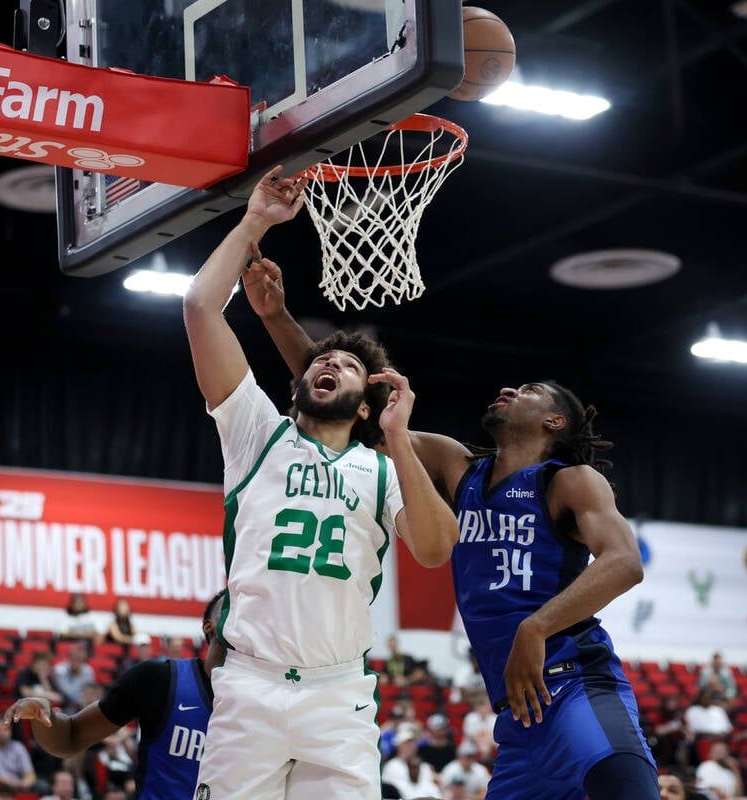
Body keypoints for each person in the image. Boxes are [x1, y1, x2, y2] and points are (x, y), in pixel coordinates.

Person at [249, 245, 656, 798]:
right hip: (517, 720)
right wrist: (275, 316)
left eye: (529, 391)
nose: (510, 390)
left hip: (576, 683)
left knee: (624, 786)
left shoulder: (569, 481)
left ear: (554, 421)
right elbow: (348, 403)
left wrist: (535, 628)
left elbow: (625, 563)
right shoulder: (455, 466)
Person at [184, 165, 458, 800]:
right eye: (324, 359)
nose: (332, 361)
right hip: (249, 683)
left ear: (366, 405)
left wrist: (397, 436)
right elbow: (200, 307)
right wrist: (256, 220)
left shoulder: (384, 467)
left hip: (339, 696)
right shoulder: (257, 431)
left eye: (351, 365)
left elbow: (436, 549)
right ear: (301, 384)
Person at [6, 592, 227, 800]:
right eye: (233, 608)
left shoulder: (260, 703)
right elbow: (71, 735)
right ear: (209, 626)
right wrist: (46, 716)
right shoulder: (160, 679)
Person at [383, 729, 442, 800]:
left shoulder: (424, 766)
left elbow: (431, 787)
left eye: (412, 743)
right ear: (399, 746)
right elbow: (399, 790)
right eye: (406, 743)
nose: (410, 746)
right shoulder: (392, 766)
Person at [0, 720, 35, 792]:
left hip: (16, 786)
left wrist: (23, 784)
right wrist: (1, 780)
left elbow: (30, 774)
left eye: (4, 728)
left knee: (40, 786)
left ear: (10, 731)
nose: (0, 732)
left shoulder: (18, 747)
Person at [52, 645, 96, 713]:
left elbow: (90, 689)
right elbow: (69, 693)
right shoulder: (60, 669)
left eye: (80, 659)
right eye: (75, 658)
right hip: (65, 704)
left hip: (83, 704)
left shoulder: (88, 669)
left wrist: (87, 699)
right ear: (70, 657)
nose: (77, 661)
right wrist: (83, 700)